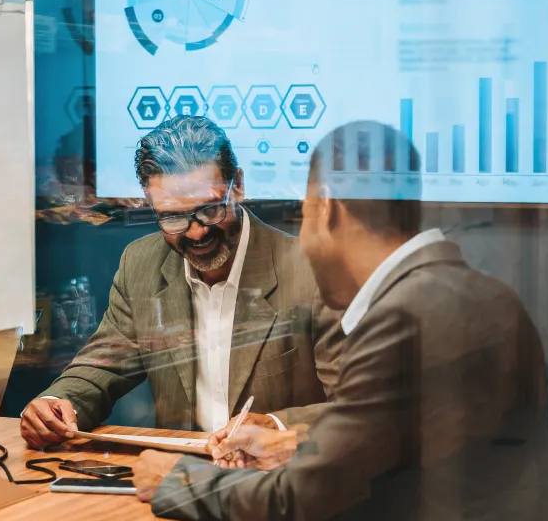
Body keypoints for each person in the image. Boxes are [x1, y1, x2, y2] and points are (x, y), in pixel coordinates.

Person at [133, 120, 548, 521]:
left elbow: (294, 504)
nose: (303, 243)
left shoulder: (405, 319)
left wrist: (175, 480)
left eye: (304, 218)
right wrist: (299, 442)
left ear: (325, 210)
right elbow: (402, 434)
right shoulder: (481, 295)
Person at [19, 114, 341, 450]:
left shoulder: (314, 271)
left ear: (240, 186)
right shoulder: (140, 265)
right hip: (175, 480)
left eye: (211, 209)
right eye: (173, 216)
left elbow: (362, 407)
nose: (197, 231)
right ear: (150, 202)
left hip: (276, 483)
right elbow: (99, 367)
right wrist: (57, 402)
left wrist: (276, 426)